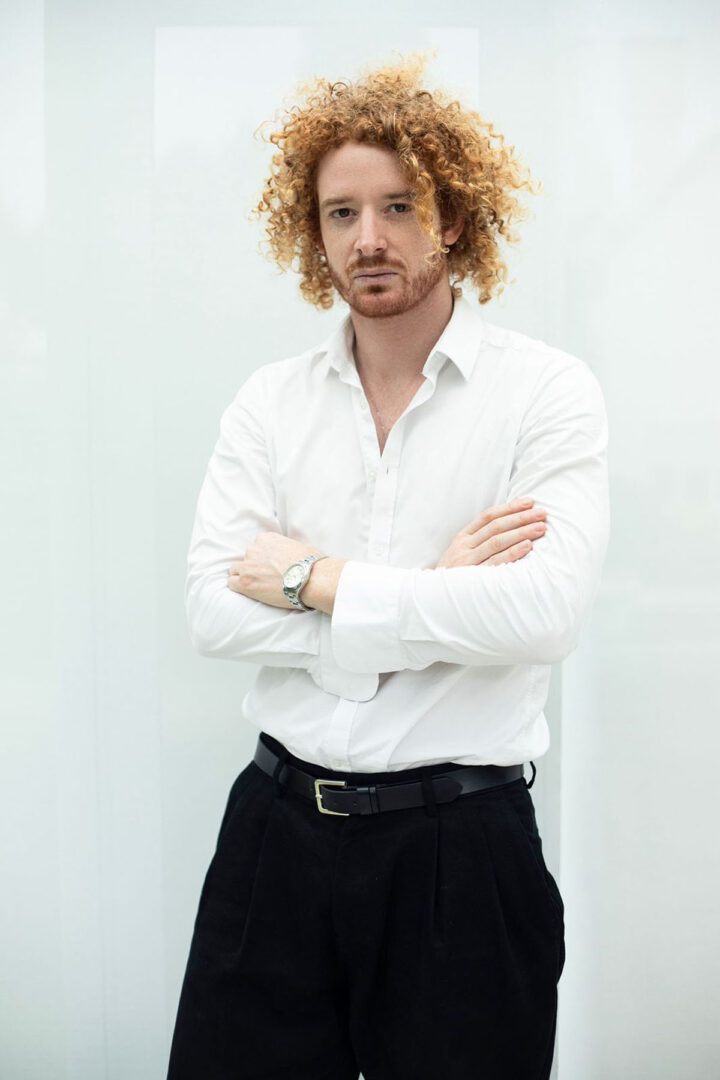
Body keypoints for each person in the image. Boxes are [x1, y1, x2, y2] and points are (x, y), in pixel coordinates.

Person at [166, 51, 610, 1080]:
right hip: (273, 840)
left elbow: (543, 613)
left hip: (463, 854)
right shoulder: (268, 404)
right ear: (313, 232)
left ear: (451, 217)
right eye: (341, 213)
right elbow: (210, 611)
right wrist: (438, 599)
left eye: (399, 206)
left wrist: (315, 582)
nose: (368, 237)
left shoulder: (545, 394)